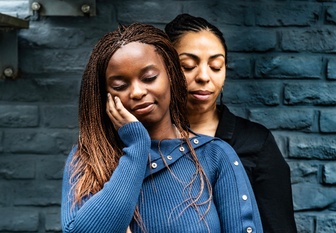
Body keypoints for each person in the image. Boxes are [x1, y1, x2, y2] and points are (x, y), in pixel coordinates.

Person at [61, 22, 263, 233]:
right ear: (104, 95)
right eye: (120, 86)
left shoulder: (215, 156)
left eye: (149, 78)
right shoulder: (87, 160)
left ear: (171, 77)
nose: (137, 92)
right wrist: (137, 147)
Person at [165, 13, 297, 233]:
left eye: (216, 66)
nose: (204, 77)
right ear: (165, 70)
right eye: (187, 66)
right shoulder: (145, 141)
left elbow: (279, 226)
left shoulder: (256, 142)